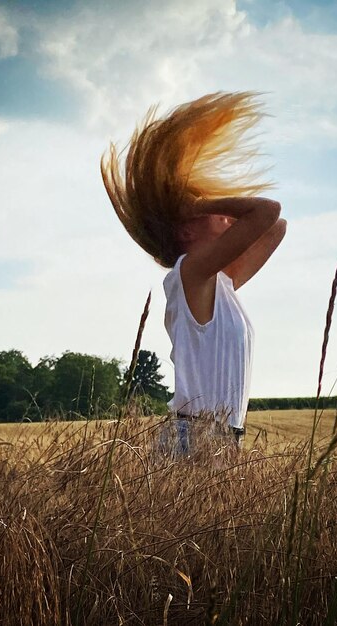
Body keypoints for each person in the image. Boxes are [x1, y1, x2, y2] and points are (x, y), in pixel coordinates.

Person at [101, 92, 286, 451]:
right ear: (187, 230)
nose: (228, 219)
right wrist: (200, 204)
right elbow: (268, 210)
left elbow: (276, 226)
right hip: (197, 435)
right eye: (219, 216)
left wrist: (206, 210)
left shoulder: (222, 284)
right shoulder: (190, 273)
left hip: (218, 436)